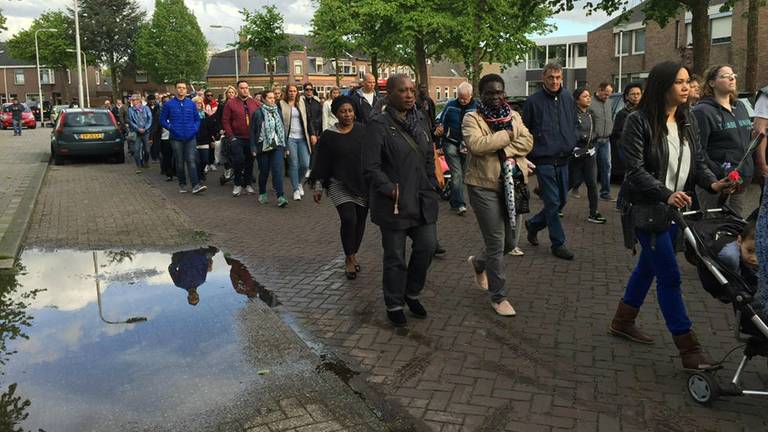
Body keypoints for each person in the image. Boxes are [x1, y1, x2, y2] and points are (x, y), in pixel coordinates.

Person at [609, 61, 734, 371]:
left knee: (647, 268)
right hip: (647, 211)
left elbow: (699, 161)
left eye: (687, 82)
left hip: (677, 211)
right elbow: (634, 170)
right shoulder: (638, 122)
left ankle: (622, 321)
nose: (686, 87)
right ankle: (689, 349)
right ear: (663, 85)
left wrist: (713, 182)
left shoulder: (686, 120)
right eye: (679, 82)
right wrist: (665, 194)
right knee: (670, 277)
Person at [363, 74, 440, 327]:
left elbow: (428, 153)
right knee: (395, 256)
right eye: (403, 91)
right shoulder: (378, 124)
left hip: (421, 197)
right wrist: (389, 189)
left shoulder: (420, 117)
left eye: (412, 90)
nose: (409, 95)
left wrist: (431, 181)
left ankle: (412, 292)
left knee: (427, 246)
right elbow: (371, 167)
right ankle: (394, 302)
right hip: (394, 202)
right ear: (390, 94)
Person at [462, 74, 533, 316]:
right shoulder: (471, 117)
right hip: (484, 187)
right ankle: (498, 296)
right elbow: (476, 145)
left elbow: (529, 141)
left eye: (499, 92)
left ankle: (479, 263)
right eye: (490, 92)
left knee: (511, 242)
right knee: (496, 243)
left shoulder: (513, 115)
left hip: (513, 185)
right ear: (481, 94)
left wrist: (502, 145)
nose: (495, 96)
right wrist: (509, 136)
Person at [522, 63, 577, 260]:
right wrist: (527, 158)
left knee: (561, 201)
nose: (554, 81)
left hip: (564, 158)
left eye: (558, 77)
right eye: (550, 77)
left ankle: (534, 224)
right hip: (543, 160)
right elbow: (525, 131)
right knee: (553, 203)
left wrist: (573, 140)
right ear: (543, 79)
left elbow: (572, 122)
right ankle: (558, 243)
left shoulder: (568, 97)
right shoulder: (533, 101)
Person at [311, 96, 369, 279]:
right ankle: (349, 258)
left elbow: (373, 155)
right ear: (335, 113)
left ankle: (353, 253)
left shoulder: (362, 131)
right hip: (338, 184)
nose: (347, 114)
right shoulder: (329, 136)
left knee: (360, 221)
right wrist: (319, 186)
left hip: (361, 183)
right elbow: (321, 162)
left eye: (350, 110)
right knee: (348, 218)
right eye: (343, 111)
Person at [693, 65, 754, 218]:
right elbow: (698, 150)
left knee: (735, 226)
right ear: (711, 83)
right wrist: (720, 175)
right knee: (713, 228)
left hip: (740, 181)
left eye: (733, 74)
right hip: (716, 182)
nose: (731, 78)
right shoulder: (702, 111)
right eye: (724, 76)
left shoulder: (740, 106)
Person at [435, 82, 477, 216]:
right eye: (460, 97)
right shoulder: (451, 105)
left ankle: (454, 200)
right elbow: (441, 121)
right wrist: (440, 129)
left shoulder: (477, 107)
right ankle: (460, 204)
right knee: (457, 174)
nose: (462, 101)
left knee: (463, 175)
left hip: (467, 145)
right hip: (451, 142)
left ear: (471, 95)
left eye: (465, 98)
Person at [159, 80, 207, 195]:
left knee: (191, 160)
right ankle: (182, 184)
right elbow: (162, 119)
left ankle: (195, 185)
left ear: (186, 90)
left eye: (184, 88)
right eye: (179, 87)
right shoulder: (169, 104)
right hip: (176, 137)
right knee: (180, 162)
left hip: (190, 136)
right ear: (176, 89)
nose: (181, 89)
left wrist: (194, 129)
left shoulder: (191, 104)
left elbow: (197, 119)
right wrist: (171, 128)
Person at [569, 88, 606, 224]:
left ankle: (593, 212)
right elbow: (573, 132)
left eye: (589, 96)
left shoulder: (590, 114)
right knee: (570, 182)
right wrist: (584, 137)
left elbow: (596, 131)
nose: (589, 98)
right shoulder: (572, 114)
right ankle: (556, 208)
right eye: (585, 96)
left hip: (590, 153)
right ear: (577, 100)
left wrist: (594, 138)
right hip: (576, 153)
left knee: (592, 183)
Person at [250, 90, 288, 208]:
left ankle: (281, 197)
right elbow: (252, 131)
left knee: (277, 170)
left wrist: (285, 146)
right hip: (263, 146)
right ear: (264, 99)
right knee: (264, 172)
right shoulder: (258, 113)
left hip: (277, 145)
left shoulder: (278, 111)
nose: (273, 100)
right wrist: (253, 147)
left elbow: (281, 129)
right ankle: (262, 192)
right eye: (270, 98)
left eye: (274, 98)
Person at [222, 80, 260, 197]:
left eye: (246, 88)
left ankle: (247, 184)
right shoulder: (230, 103)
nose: (245, 90)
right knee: (239, 160)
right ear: (238, 89)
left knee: (249, 162)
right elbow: (225, 120)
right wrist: (231, 136)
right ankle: (237, 183)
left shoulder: (254, 103)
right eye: (242, 88)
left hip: (252, 138)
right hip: (237, 138)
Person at [280, 84, 312, 200]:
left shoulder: (301, 102)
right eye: (290, 91)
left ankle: (299, 182)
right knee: (293, 163)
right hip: (290, 138)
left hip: (303, 138)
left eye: (294, 91)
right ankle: (295, 189)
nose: (292, 93)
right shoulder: (282, 104)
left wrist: (312, 134)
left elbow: (308, 119)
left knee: (305, 164)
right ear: (287, 92)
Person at [590, 82, 615, 201]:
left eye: (609, 95)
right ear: (599, 90)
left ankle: (605, 192)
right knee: (590, 167)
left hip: (606, 140)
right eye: (605, 94)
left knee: (606, 166)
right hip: (594, 141)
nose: (607, 97)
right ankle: (575, 186)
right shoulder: (590, 102)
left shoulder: (609, 102)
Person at [215, 85, 237, 181]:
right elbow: (218, 118)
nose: (231, 94)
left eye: (232, 92)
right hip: (225, 131)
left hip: (236, 131)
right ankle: (227, 169)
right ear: (226, 94)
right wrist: (220, 129)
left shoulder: (238, 104)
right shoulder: (222, 105)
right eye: (229, 92)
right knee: (225, 151)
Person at [127, 94, 153, 174]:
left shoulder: (146, 108)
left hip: (145, 132)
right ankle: (138, 166)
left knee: (147, 150)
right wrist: (138, 129)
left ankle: (146, 161)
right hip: (136, 132)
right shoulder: (130, 110)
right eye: (132, 100)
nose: (134, 102)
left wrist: (145, 128)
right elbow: (130, 121)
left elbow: (150, 119)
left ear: (139, 100)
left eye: (135, 100)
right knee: (136, 150)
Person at [193, 96, 217, 182]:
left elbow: (211, 128)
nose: (198, 104)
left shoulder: (206, 114)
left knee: (205, 159)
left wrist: (212, 138)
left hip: (204, 140)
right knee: (197, 161)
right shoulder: (190, 115)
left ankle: (201, 171)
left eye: (200, 103)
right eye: (196, 103)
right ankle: (198, 176)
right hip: (194, 140)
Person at [158, 95, 174, 181]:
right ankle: (169, 174)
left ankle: (176, 171)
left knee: (176, 156)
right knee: (167, 157)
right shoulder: (160, 113)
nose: (167, 103)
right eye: (164, 102)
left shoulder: (175, 112)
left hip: (175, 137)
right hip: (164, 138)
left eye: (168, 101)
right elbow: (156, 127)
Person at [147, 95, 161, 162]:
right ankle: (153, 157)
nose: (152, 101)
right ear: (148, 101)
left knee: (158, 143)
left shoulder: (158, 107)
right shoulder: (146, 107)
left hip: (158, 126)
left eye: (153, 100)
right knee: (152, 143)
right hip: (150, 126)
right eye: (150, 100)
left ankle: (157, 155)